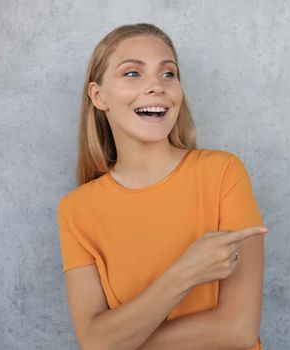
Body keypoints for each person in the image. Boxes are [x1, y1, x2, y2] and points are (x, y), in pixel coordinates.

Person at [57, 23, 268, 350]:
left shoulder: (223, 172)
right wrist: (186, 271)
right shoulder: (76, 210)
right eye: (132, 74)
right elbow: (94, 342)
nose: (156, 85)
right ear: (99, 96)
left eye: (168, 74)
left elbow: (237, 330)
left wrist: (121, 339)